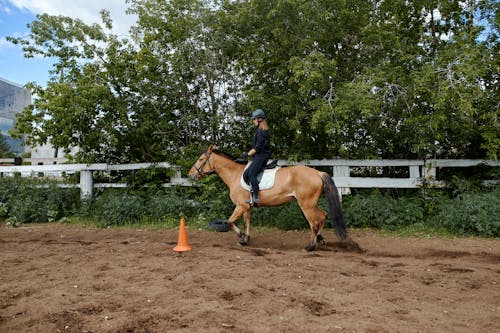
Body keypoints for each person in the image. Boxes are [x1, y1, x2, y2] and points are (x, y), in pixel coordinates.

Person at [241, 108, 271, 205]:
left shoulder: (261, 132)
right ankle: (250, 194)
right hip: (259, 156)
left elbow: (257, 148)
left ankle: (256, 197)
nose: (253, 121)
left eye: (254, 119)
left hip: (261, 157)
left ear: (259, 119)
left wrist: (247, 154)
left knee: (252, 174)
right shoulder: (261, 130)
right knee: (246, 173)